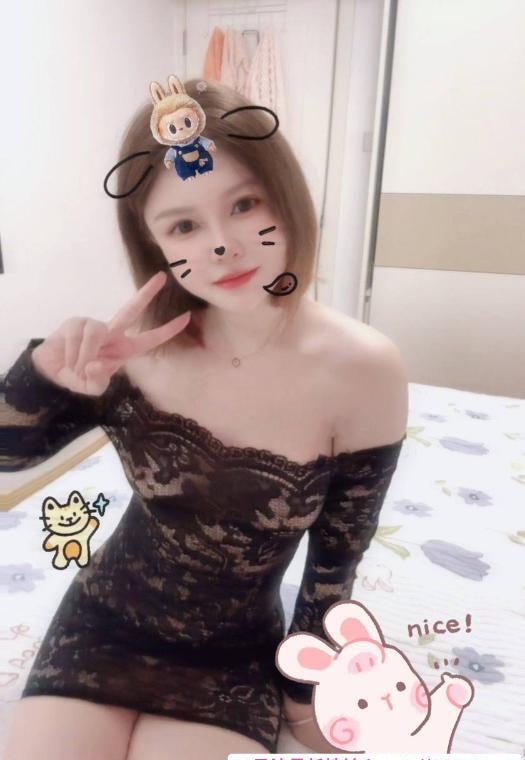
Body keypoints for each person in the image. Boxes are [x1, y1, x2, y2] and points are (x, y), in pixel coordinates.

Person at [0, 78, 408, 760]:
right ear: (155, 244)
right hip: (102, 623)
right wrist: (43, 376)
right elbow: (7, 456)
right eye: (184, 225)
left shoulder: (365, 369)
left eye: (244, 204)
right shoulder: (134, 353)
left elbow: (336, 559)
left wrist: (304, 690)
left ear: (285, 197)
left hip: (233, 652)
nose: (222, 245)